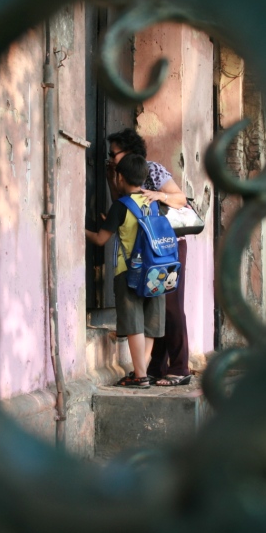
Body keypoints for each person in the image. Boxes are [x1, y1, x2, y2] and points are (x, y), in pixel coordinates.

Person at [105, 129, 192, 387]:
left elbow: (181, 198)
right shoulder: (118, 175)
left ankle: (180, 367)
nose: (111, 158)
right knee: (154, 306)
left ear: (130, 151)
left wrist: (159, 195)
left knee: (171, 306)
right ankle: (154, 367)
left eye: (114, 153)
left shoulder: (152, 170)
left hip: (166, 245)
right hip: (142, 249)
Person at [86, 153, 166, 388]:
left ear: (120, 177)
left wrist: (82, 230)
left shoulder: (121, 206)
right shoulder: (154, 202)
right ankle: (140, 371)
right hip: (157, 269)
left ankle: (140, 376)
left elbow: (101, 239)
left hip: (129, 271)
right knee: (149, 325)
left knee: (133, 324)